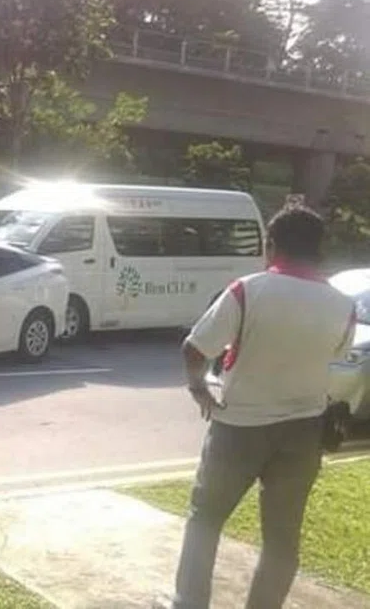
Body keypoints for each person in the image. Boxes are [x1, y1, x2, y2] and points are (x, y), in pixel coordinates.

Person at [169, 204, 356, 609]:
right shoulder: (343, 305)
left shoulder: (247, 290)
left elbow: (195, 348)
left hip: (239, 426)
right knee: (282, 536)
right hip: (304, 430)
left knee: (205, 518)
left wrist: (199, 389)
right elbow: (335, 353)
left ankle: (189, 603)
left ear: (271, 245)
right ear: (319, 249)